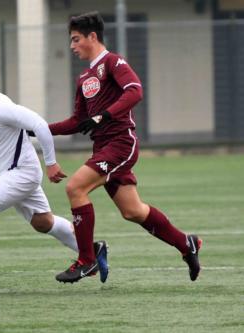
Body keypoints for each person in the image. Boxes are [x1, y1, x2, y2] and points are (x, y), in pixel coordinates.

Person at [46, 12, 202, 283]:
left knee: (75, 188)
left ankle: (87, 260)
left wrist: (105, 115)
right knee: (133, 211)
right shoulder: (84, 77)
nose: (71, 46)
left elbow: (135, 90)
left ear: (92, 37)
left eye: (76, 39)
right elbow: (77, 121)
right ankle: (186, 243)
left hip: (121, 143)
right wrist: (39, 129)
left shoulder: (113, 61)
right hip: (103, 147)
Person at [0, 56, 109, 290]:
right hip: (14, 174)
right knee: (43, 222)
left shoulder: (1, 107)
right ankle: (93, 250)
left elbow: (39, 125)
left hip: (22, 173)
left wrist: (51, 163)